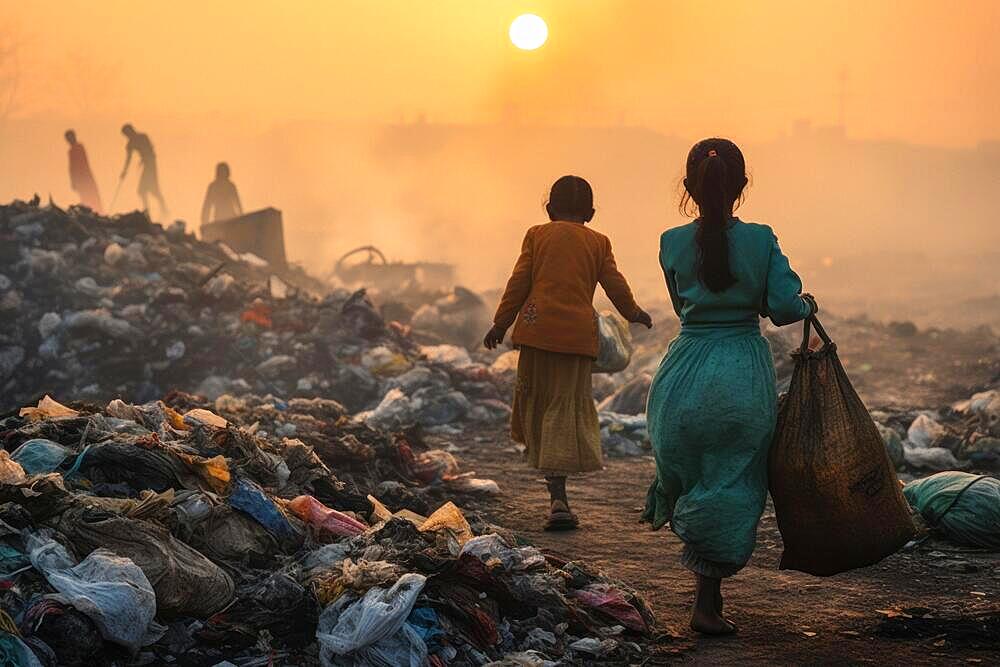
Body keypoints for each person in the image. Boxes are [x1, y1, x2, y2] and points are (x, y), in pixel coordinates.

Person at [642, 138, 818, 635]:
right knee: (732, 482)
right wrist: (807, 305)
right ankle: (705, 603)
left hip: (680, 380)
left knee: (697, 478)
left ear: (688, 188)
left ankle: (706, 601)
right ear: (741, 186)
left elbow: (682, 309)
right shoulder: (761, 239)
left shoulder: (670, 241)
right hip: (739, 375)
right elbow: (784, 308)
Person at [485, 175, 652, 531]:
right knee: (564, 408)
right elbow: (614, 284)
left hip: (536, 333)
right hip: (577, 339)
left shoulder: (537, 235)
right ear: (590, 213)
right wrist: (633, 313)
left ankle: (555, 494)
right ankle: (559, 498)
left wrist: (500, 325)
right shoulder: (598, 242)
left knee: (540, 407)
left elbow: (519, 283)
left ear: (549, 210)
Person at [120, 123, 168, 219]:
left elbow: (150, 150)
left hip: (150, 166)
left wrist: (144, 160)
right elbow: (128, 159)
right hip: (148, 165)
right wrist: (124, 171)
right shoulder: (131, 143)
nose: (128, 136)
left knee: (144, 190)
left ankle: (149, 211)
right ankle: (160, 209)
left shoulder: (142, 137)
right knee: (151, 189)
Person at [64, 130, 102, 212]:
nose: (68, 140)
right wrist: (73, 181)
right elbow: (72, 168)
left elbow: (77, 166)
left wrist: (74, 180)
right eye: (67, 139)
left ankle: (97, 212)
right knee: (85, 197)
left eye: (69, 138)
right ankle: (92, 212)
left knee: (91, 195)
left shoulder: (78, 148)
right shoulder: (73, 150)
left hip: (84, 177)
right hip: (81, 178)